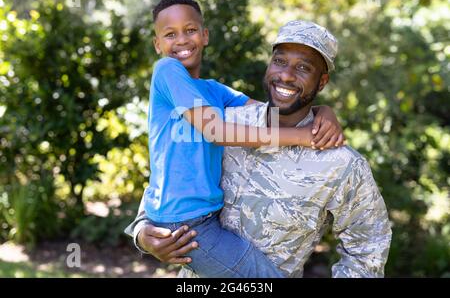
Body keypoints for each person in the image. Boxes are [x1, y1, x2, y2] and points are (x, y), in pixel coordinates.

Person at [126, 19, 392, 278]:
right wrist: (143, 231)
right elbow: (169, 172)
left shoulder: (341, 163)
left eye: (303, 68)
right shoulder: (224, 122)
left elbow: (367, 249)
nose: (286, 75)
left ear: (321, 82)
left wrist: (323, 112)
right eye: (280, 61)